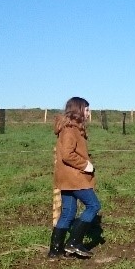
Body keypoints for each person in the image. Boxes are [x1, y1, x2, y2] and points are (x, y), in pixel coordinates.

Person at [50, 96, 99, 259]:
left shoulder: (73, 128)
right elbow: (67, 154)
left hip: (67, 178)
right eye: (86, 109)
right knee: (93, 206)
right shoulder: (70, 129)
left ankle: (55, 250)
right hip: (75, 177)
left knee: (68, 213)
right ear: (78, 110)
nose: (89, 113)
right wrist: (86, 165)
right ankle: (74, 242)